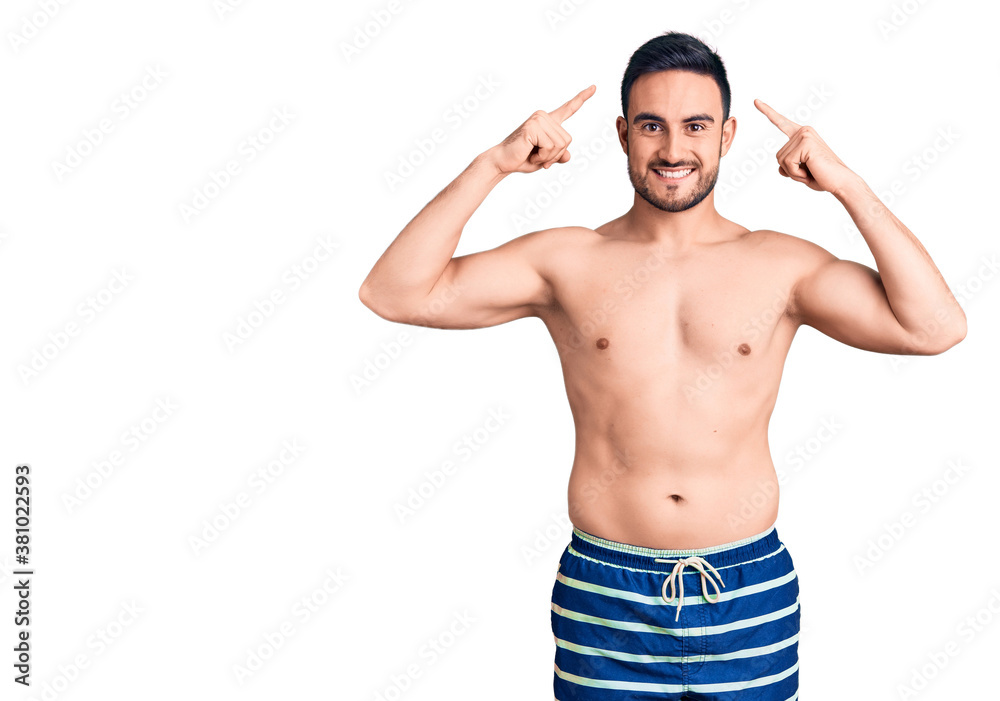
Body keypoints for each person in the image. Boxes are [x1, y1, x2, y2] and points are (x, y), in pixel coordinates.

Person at [359, 31, 966, 701]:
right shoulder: (568, 261)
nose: (674, 150)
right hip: (606, 590)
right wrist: (493, 164)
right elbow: (394, 292)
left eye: (695, 126)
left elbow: (935, 327)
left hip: (747, 586)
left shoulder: (780, 264)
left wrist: (848, 184)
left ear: (727, 135)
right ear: (622, 134)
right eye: (652, 126)